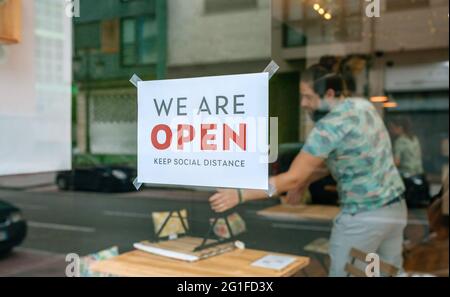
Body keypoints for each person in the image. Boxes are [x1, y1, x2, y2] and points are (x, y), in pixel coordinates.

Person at [208, 65, 407, 277]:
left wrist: (240, 194)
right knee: (390, 273)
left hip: (363, 218)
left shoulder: (328, 127)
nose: (303, 104)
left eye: (308, 97)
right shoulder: (363, 106)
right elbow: (346, 160)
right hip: (395, 210)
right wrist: (304, 182)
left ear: (329, 94)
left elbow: (292, 178)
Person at [389, 117, 430, 207]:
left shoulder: (399, 141)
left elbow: (396, 163)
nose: (390, 130)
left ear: (400, 128)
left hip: (407, 176)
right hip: (419, 174)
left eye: (392, 127)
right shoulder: (414, 139)